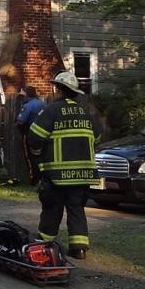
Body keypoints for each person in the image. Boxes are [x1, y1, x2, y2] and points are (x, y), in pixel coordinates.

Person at [26, 71, 99, 259]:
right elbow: (97, 136)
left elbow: (34, 137)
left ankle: (45, 240)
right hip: (83, 173)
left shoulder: (51, 110)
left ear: (58, 89)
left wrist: (37, 157)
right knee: (76, 208)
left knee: (53, 206)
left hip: (58, 174)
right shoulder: (86, 112)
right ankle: (79, 248)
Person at [15, 86, 46, 182]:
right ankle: (43, 179)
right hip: (45, 135)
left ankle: (34, 180)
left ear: (27, 95)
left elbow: (20, 121)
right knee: (43, 157)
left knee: (30, 158)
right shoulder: (43, 104)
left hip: (30, 135)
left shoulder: (28, 106)